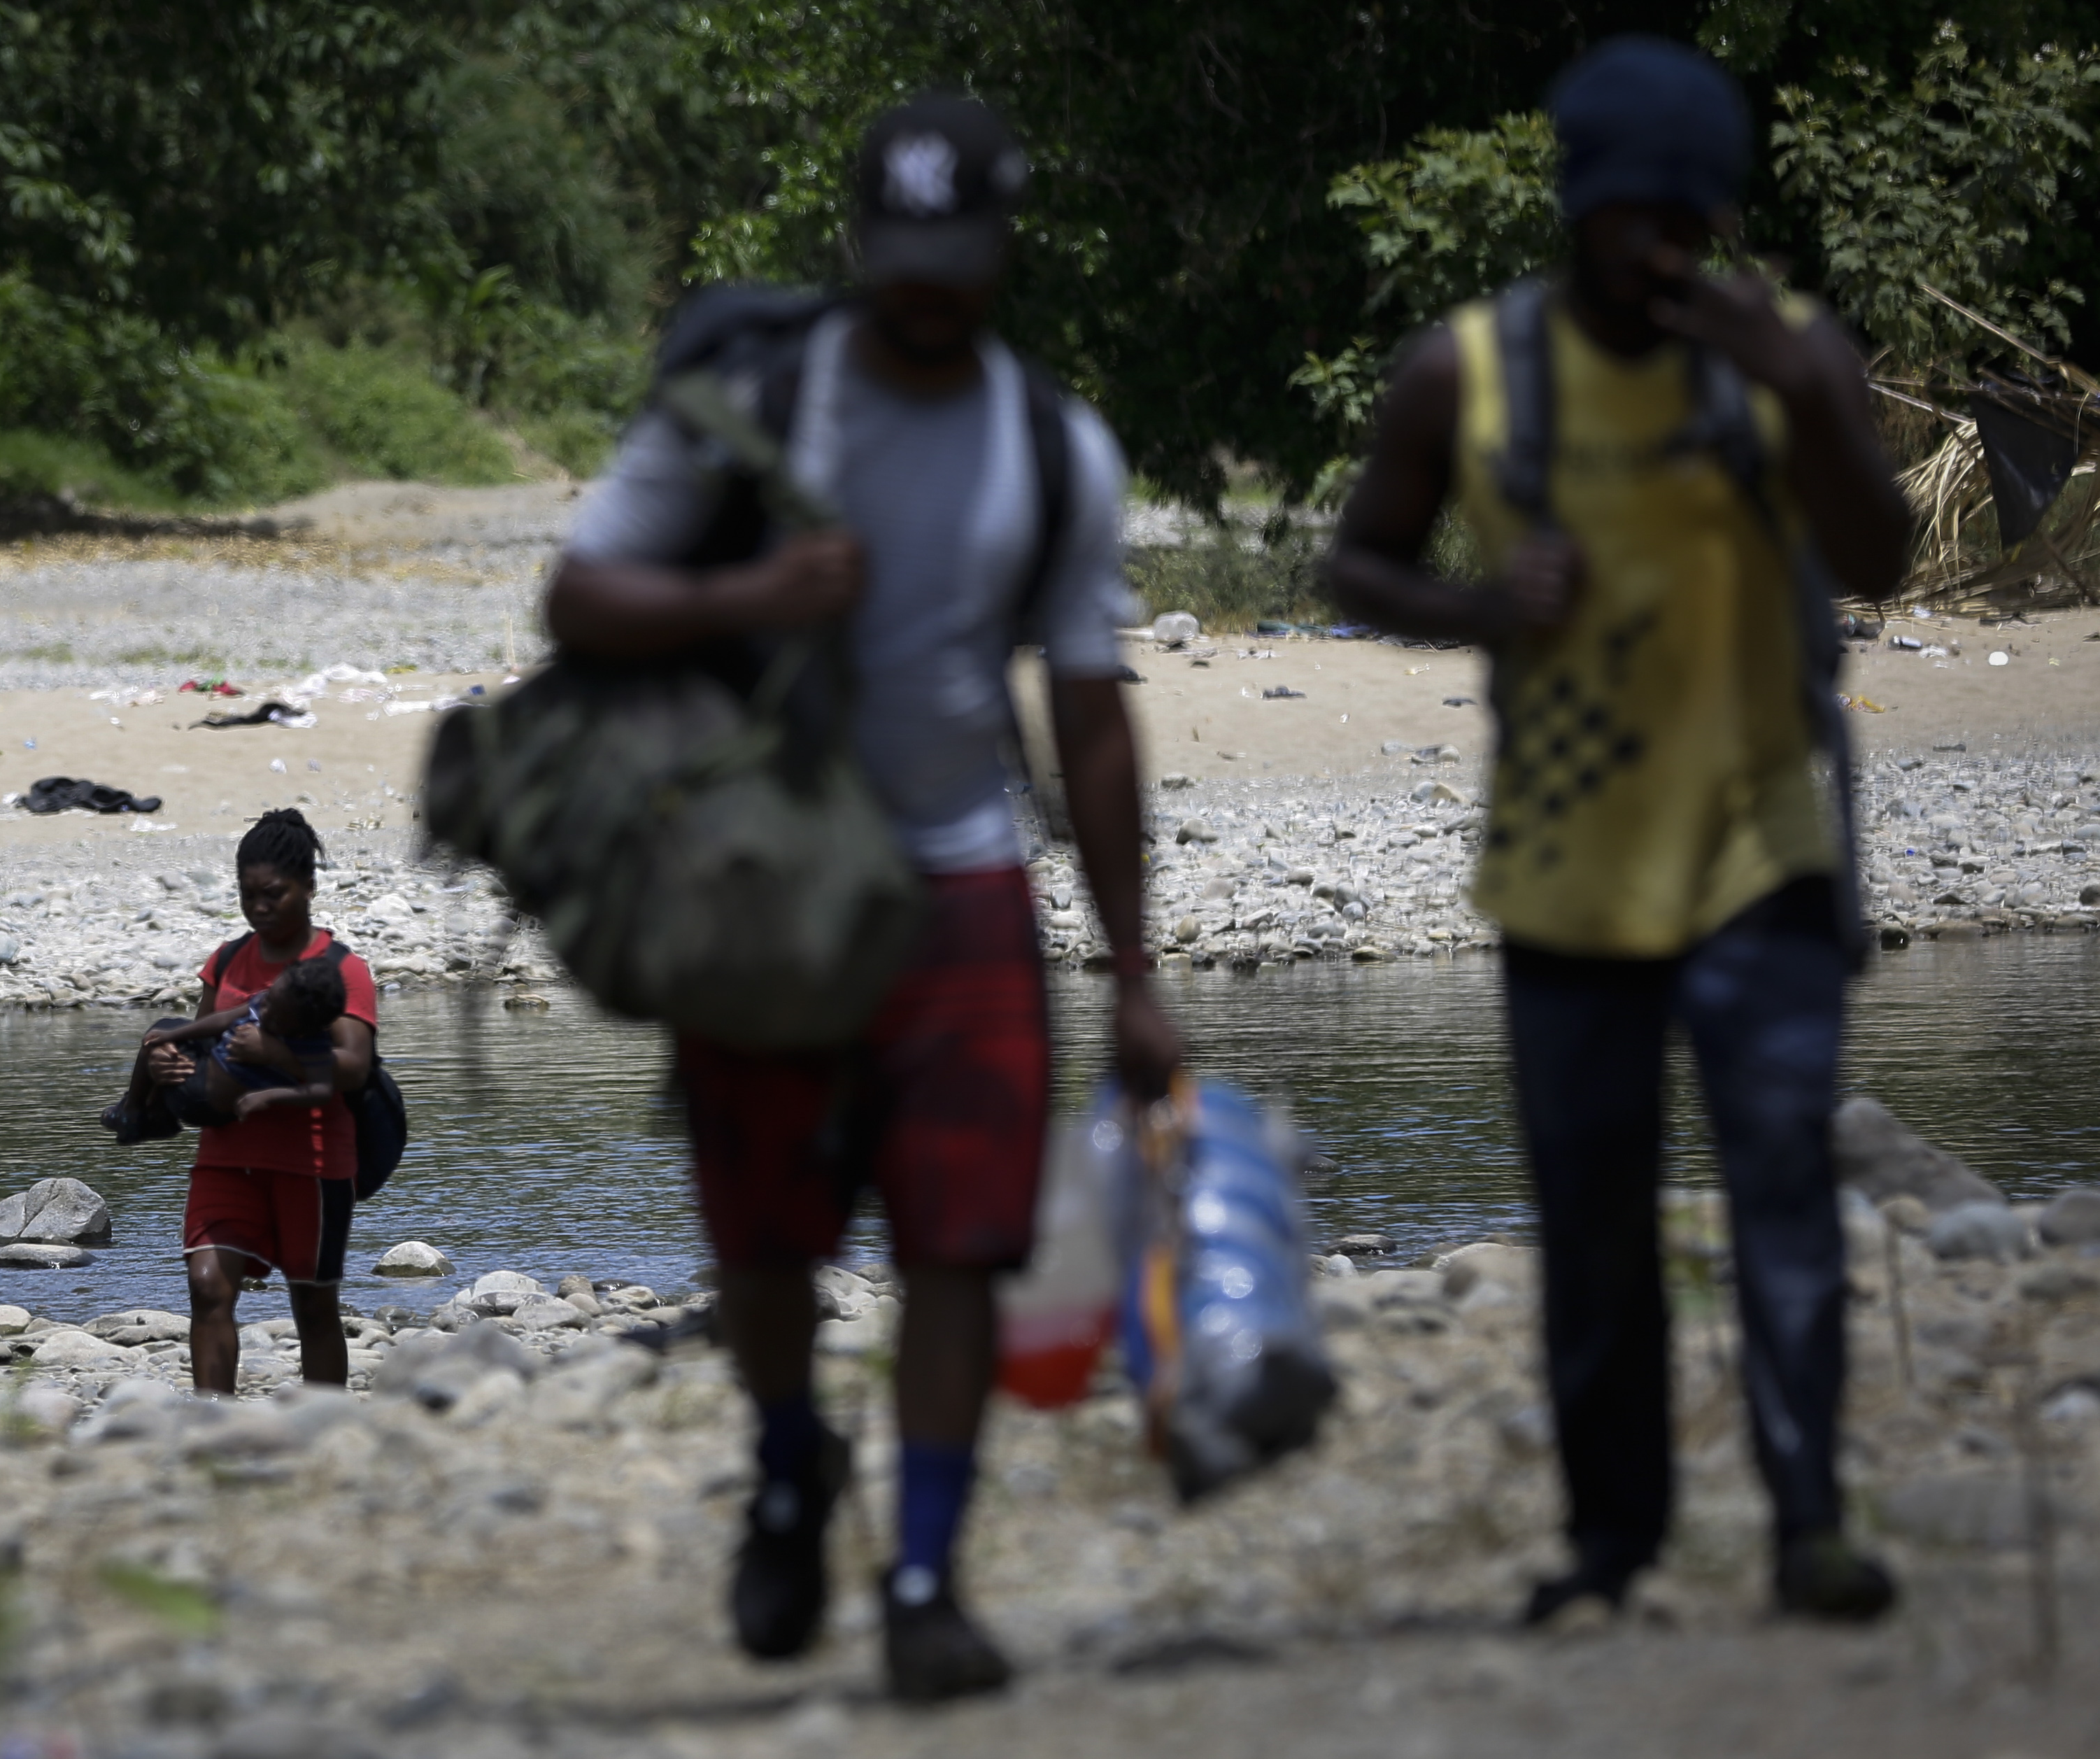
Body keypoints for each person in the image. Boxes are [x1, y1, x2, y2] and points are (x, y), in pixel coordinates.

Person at [546, 94, 1180, 1700]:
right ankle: (783, 1461)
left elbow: (1091, 716)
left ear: (999, 251)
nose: (927, 290)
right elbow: (579, 591)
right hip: (758, 887)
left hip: (963, 878)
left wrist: (1130, 964)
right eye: (901, 258)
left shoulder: (1053, 446)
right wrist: (747, 590)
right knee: (764, 1244)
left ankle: (921, 1581)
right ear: (858, 248)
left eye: (955, 260)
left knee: (959, 1244)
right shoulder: (748, 395)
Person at [1322, 38, 1910, 1624]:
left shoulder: (1786, 355)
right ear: (1576, 213)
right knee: (1590, 1223)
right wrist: (1474, 604)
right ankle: (1609, 1544)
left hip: (1759, 849)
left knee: (1778, 1185)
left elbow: (1878, 562)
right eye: (1632, 222)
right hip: (1565, 868)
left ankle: (1807, 1530)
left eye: (1689, 224)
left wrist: (1805, 399)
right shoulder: (1472, 371)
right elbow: (1353, 565)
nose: (1663, 254)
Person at [136, 810, 379, 1395]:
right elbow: (202, 1045)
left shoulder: (341, 970)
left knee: (312, 1304)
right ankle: (210, 1422)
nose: (259, 908)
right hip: (226, 1152)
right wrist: (168, 1065)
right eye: (248, 895)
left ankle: (324, 1430)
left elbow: (353, 1067)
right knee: (207, 1286)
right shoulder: (225, 961)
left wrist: (274, 1052)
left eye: (273, 894)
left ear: (309, 889)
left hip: (312, 1164)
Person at [102, 951, 355, 1135]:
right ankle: (146, 1111)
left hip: (203, 1100)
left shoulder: (311, 1044)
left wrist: (270, 1095)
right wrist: (172, 1037)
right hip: (208, 1066)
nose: (264, 1012)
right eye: (267, 1002)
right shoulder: (273, 1001)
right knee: (164, 1029)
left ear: (304, 1029)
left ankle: (134, 1113)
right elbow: (223, 1019)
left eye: (276, 1018)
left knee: (161, 1040)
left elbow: (320, 1090)